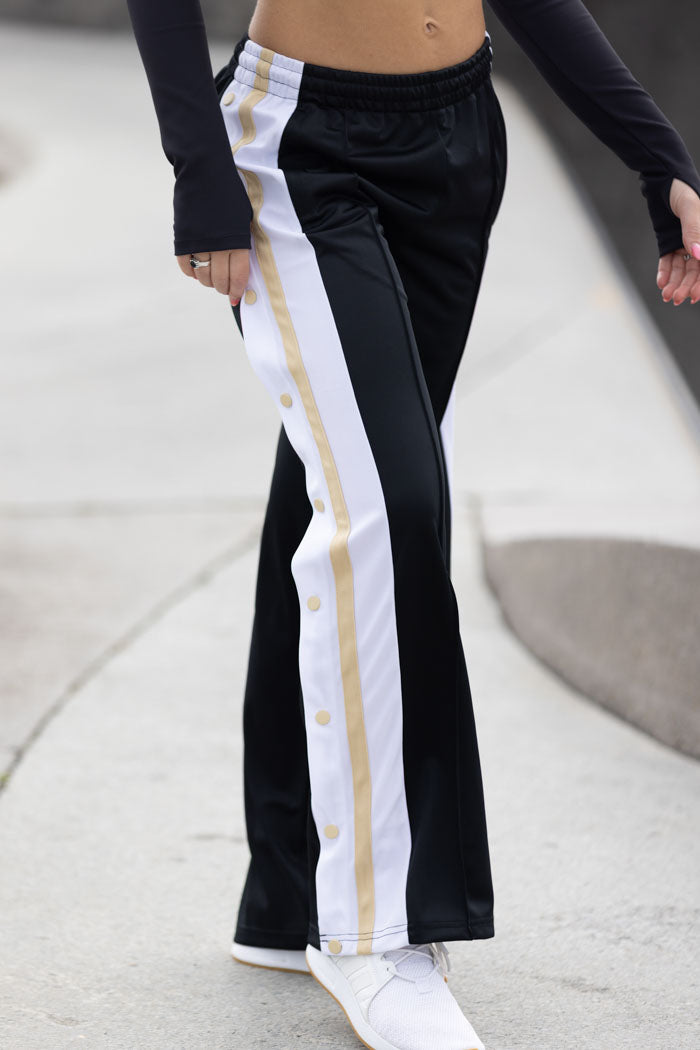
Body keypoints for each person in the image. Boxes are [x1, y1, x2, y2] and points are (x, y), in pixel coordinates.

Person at [125, 2, 700, 1048]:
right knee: (389, 510)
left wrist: (650, 148)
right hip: (300, 153)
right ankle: (373, 931)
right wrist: (197, 167)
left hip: (457, 142)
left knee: (342, 477)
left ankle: (290, 891)